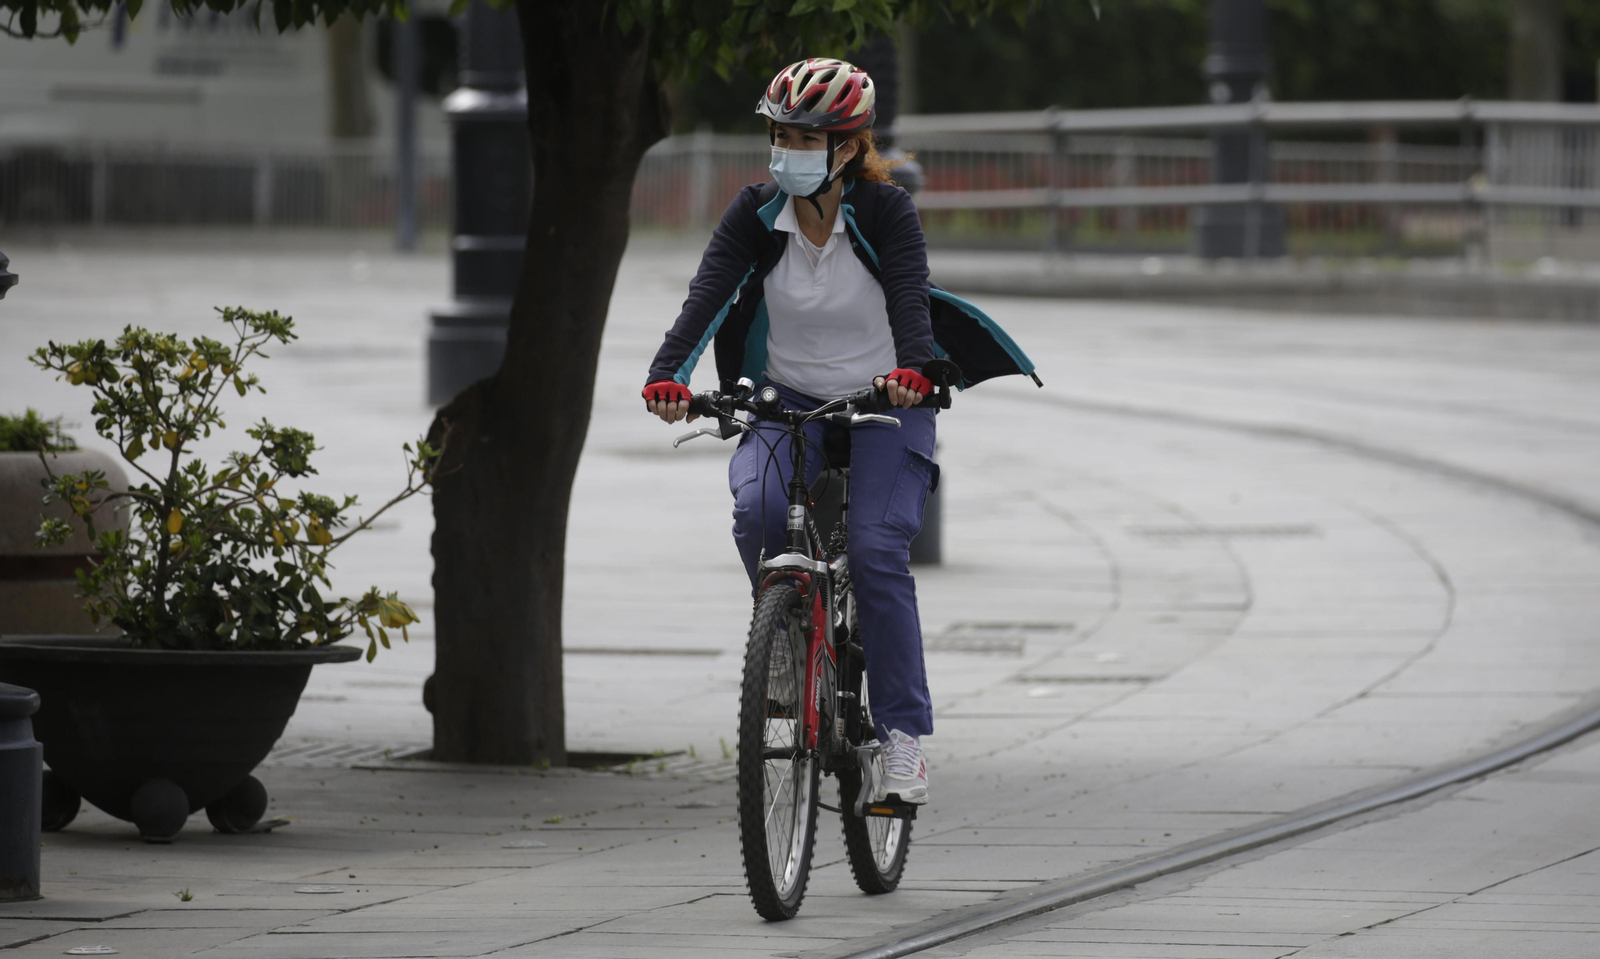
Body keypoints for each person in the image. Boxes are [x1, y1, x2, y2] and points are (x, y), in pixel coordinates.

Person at [641, 58, 1039, 806]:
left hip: (887, 398)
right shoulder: (755, 212)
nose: (787, 149)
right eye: (781, 133)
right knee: (757, 511)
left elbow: (909, 297)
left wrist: (917, 369)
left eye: (806, 136)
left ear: (849, 147)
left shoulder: (887, 212)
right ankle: (787, 645)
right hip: (787, 397)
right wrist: (669, 374)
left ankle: (901, 740)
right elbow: (708, 293)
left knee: (876, 549)